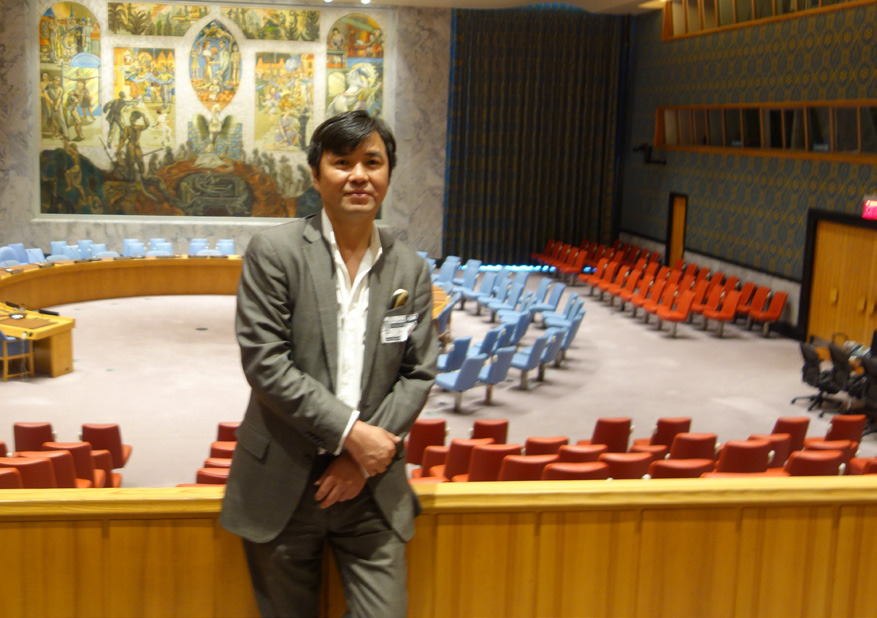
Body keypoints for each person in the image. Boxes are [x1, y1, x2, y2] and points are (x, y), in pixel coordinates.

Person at [220, 110, 438, 618]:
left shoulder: (410, 269)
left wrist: (359, 457)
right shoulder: (275, 252)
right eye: (342, 162)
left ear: (388, 174)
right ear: (316, 176)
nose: (359, 175)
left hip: (371, 488)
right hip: (283, 482)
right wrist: (352, 435)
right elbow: (266, 362)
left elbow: (418, 373)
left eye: (372, 162)